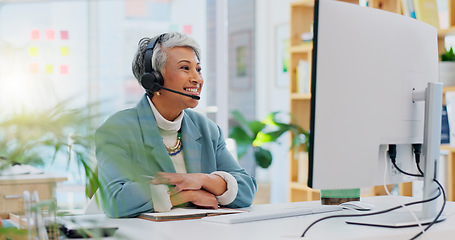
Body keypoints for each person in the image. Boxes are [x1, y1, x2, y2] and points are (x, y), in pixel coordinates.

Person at [95, 32, 257, 218]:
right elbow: (115, 200)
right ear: (154, 79)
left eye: (198, 69)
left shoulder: (206, 128)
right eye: (185, 68)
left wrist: (202, 179)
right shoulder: (117, 129)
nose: (197, 78)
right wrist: (185, 195)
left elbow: (246, 189)